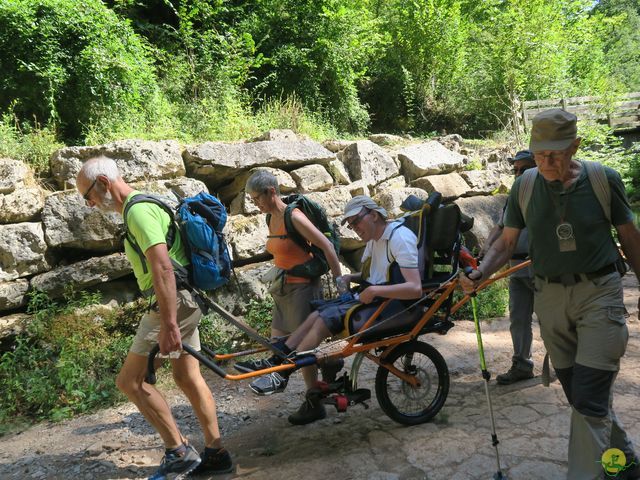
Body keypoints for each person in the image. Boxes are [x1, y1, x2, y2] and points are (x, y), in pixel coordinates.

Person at [460, 109, 640, 480]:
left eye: (556, 154)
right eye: (540, 154)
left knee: (589, 397)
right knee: (582, 397)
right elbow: (505, 244)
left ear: (575, 146)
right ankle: (623, 462)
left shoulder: (603, 180)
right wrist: (479, 273)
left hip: (599, 293)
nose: (546, 162)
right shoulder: (525, 185)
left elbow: (630, 238)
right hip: (551, 300)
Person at [76, 157, 232, 479]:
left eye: (87, 196)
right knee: (187, 377)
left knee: (130, 381)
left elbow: (162, 267)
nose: (90, 205)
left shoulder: (137, 211)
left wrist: (170, 324)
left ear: (104, 182)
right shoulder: (141, 205)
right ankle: (216, 454)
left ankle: (178, 452)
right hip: (185, 301)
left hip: (172, 305)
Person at [241, 195, 423, 425]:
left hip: (391, 306)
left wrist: (375, 291)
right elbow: (375, 275)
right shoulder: (376, 240)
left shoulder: (400, 239)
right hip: (375, 298)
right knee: (317, 313)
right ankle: (277, 359)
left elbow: (415, 289)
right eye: (350, 224)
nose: (354, 229)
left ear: (374, 215)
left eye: (356, 221)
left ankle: (282, 372)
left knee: (323, 320)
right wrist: (352, 276)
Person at [233, 170, 344, 395]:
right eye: (251, 200)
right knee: (278, 345)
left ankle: (313, 399)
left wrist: (341, 283)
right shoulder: (269, 218)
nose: (255, 204)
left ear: (271, 192)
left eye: (256, 198)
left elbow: (327, 246)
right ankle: (329, 362)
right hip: (283, 290)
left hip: (303, 289)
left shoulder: (294, 217)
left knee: (302, 350)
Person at [479, 150, 537, 385]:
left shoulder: (545, 195)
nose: (518, 174)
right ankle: (522, 364)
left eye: (524, 169)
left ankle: (567, 363)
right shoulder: (514, 199)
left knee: (551, 318)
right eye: (515, 170)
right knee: (518, 318)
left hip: (540, 267)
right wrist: (487, 246)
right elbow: (500, 227)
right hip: (516, 267)